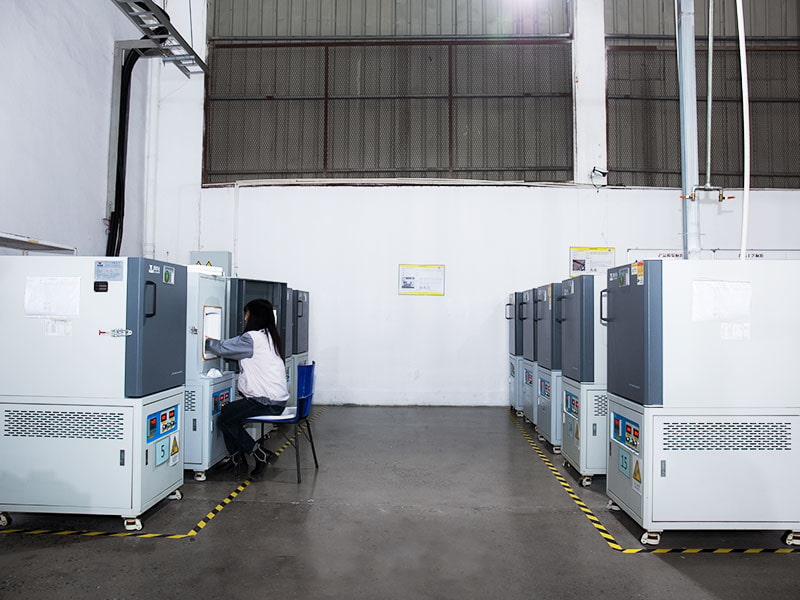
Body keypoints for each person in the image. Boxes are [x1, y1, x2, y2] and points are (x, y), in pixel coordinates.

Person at [205, 298, 289, 477]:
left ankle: (259, 454)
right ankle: (237, 459)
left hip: (266, 401)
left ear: (255, 316)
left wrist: (201, 339)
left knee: (225, 418)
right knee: (229, 414)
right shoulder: (268, 337)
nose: (244, 318)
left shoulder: (252, 338)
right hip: (276, 399)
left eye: (247, 314)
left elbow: (222, 348)